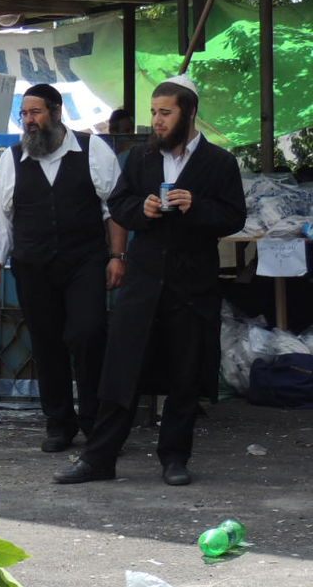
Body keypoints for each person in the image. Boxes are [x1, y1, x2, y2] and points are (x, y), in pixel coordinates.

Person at [55, 77, 247, 486]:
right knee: (120, 372)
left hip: (191, 286)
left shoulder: (218, 162)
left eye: (166, 113)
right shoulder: (142, 158)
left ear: (189, 113)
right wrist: (142, 209)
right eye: (154, 113)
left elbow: (233, 217)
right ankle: (99, 458)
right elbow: (119, 204)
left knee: (184, 374)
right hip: (143, 285)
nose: (157, 121)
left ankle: (174, 458)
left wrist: (196, 206)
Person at [0, 83, 128, 452]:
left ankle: (95, 421)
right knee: (47, 343)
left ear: (57, 112)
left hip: (84, 262)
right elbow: (0, 217)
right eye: (24, 114)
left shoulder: (93, 150)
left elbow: (115, 209)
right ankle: (59, 424)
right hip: (33, 265)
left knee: (88, 334)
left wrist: (117, 256)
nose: (29, 121)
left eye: (36, 112)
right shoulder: (13, 159)